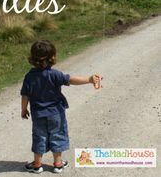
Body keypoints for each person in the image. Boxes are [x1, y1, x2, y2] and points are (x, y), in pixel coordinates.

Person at [20, 40, 102, 173]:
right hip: (56, 113)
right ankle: (58, 164)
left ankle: (37, 165)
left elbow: (25, 95)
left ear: (32, 58)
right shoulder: (55, 74)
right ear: (52, 57)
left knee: (39, 137)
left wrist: (24, 109)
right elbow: (70, 80)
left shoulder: (29, 77)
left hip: (38, 115)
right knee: (57, 135)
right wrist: (89, 79)